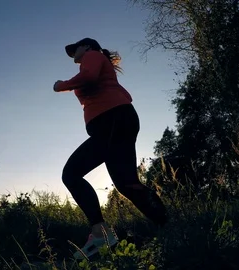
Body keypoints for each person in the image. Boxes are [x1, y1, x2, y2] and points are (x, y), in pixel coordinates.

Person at [53, 38, 168, 260]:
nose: (73, 55)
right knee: (126, 183)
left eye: (75, 49)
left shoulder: (92, 56)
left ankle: (101, 234)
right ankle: (168, 227)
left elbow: (88, 77)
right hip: (117, 120)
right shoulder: (92, 61)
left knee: (71, 174)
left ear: (86, 46)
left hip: (112, 119)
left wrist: (60, 85)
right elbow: (89, 79)